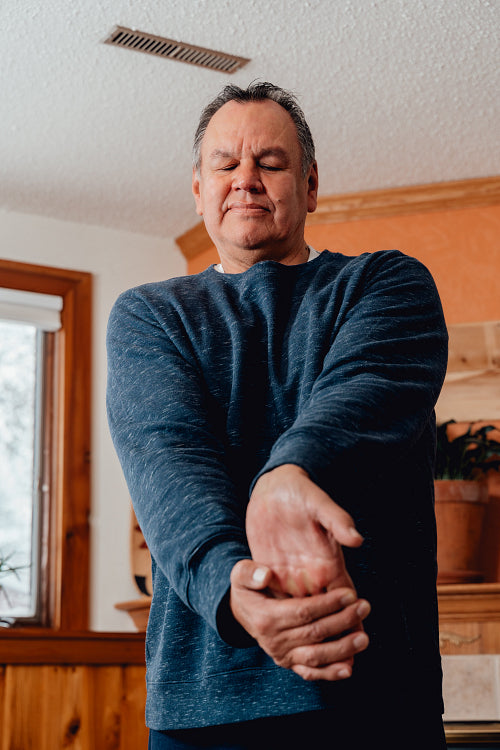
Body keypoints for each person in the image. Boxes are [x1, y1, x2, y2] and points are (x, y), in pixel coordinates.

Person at [107, 82, 449, 749]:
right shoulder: (150, 314)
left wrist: (290, 472)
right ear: (199, 191)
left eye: (271, 162)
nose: (247, 180)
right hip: (203, 708)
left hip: (378, 696)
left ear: (311, 184)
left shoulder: (385, 284)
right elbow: (167, 458)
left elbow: (367, 390)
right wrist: (235, 587)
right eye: (225, 164)